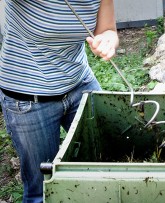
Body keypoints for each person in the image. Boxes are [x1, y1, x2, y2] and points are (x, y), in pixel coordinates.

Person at [0, 0, 119, 202]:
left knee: (109, 156)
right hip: (29, 99)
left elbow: (108, 29)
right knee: (43, 190)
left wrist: (107, 40)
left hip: (79, 83)